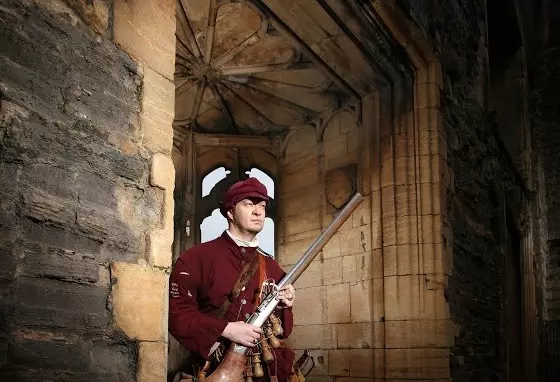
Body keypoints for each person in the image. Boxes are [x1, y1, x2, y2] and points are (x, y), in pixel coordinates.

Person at [169, 177, 297, 381]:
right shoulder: (194, 259)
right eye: (249, 204)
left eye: (262, 205)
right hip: (214, 367)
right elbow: (178, 317)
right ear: (230, 212)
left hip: (266, 373)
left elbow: (283, 332)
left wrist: (285, 304)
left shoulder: (271, 266)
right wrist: (227, 330)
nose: (258, 211)